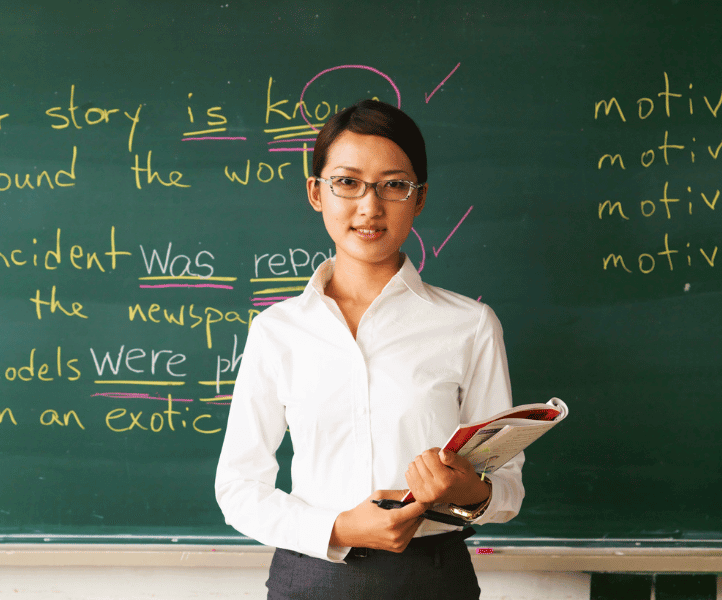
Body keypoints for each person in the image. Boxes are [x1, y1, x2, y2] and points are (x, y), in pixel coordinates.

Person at [214, 99, 523, 599]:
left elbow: (507, 488)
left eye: (394, 184)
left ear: (419, 198)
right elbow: (237, 488)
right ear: (316, 192)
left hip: (432, 578)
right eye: (348, 182)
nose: (369, 206)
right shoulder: (277, 331)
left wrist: (468, 491)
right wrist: (338, 529)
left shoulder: (469, 325)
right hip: (311, 577)